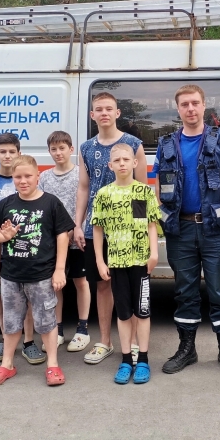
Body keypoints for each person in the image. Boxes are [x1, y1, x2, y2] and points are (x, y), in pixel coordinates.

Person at [154, 84, 220, 377]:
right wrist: (158, 219)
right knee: (185, 291)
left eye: (195, 103)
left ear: (204, 105)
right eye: (185, 104)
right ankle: (187, 349)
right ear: (178, 109)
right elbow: (158, 184)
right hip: (180, 229)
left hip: (215, 229)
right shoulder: (166, 144)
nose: (190, 109)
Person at [0, 155, 75, 386]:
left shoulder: (51, 203)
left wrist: (60, 269)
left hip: (42, 275)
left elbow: (63, 235)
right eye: (18, 177)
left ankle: (52, 365)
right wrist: (3, 236)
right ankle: (7, 365)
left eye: (27, 176)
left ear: (37, 176)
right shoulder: (5, 204)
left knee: (46, 321)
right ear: (13, 178)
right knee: (12, 322)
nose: (23, 181)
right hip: (11, 276)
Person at [74, 92, 147, 365]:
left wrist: (140, 230)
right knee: (103, 285)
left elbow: (142, 190)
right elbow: (84, 187)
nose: (104, 113)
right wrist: (78, 223)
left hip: (128, 232)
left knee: (133, 287)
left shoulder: (133, 145)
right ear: (92, 115)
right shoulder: (85, 148)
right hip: (97, 230)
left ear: (117, 113)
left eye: (109, 109)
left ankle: (135, 343)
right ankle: (105, 341)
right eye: (99, 109)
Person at [91, 144, 160, 384]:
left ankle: (143, 359)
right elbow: (98, 229)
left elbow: (149, 224)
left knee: (142, 312)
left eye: (126, 159)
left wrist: (154, 253)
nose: (122, 163)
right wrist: (100, 260)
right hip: (117, 263)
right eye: (117, 160)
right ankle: (126, 360)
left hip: (140, 262)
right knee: (123, 313)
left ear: (135, 163)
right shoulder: (104, 194)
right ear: (110, 165)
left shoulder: (142, 192)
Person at [0, 133, 44, 366]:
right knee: (1, 296)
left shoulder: (26, 178)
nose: (7, 156)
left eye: (12, 152)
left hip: (27, 248)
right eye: (3, 152)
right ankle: (5, 338)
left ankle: (28, 341)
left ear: (19, 153)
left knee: (26, 297)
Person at [38, 131, 91, 352]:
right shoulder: (44, 177)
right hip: (53, 241)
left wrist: (75, 228)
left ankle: (83, 329)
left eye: (62, 148)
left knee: (80, 281)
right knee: (56, 284)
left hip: (78, 237)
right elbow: (41, 208)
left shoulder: (81, 174)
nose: (58, 153)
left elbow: (86, 203)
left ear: (71, 149)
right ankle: (57, 329)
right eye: (54, 149)